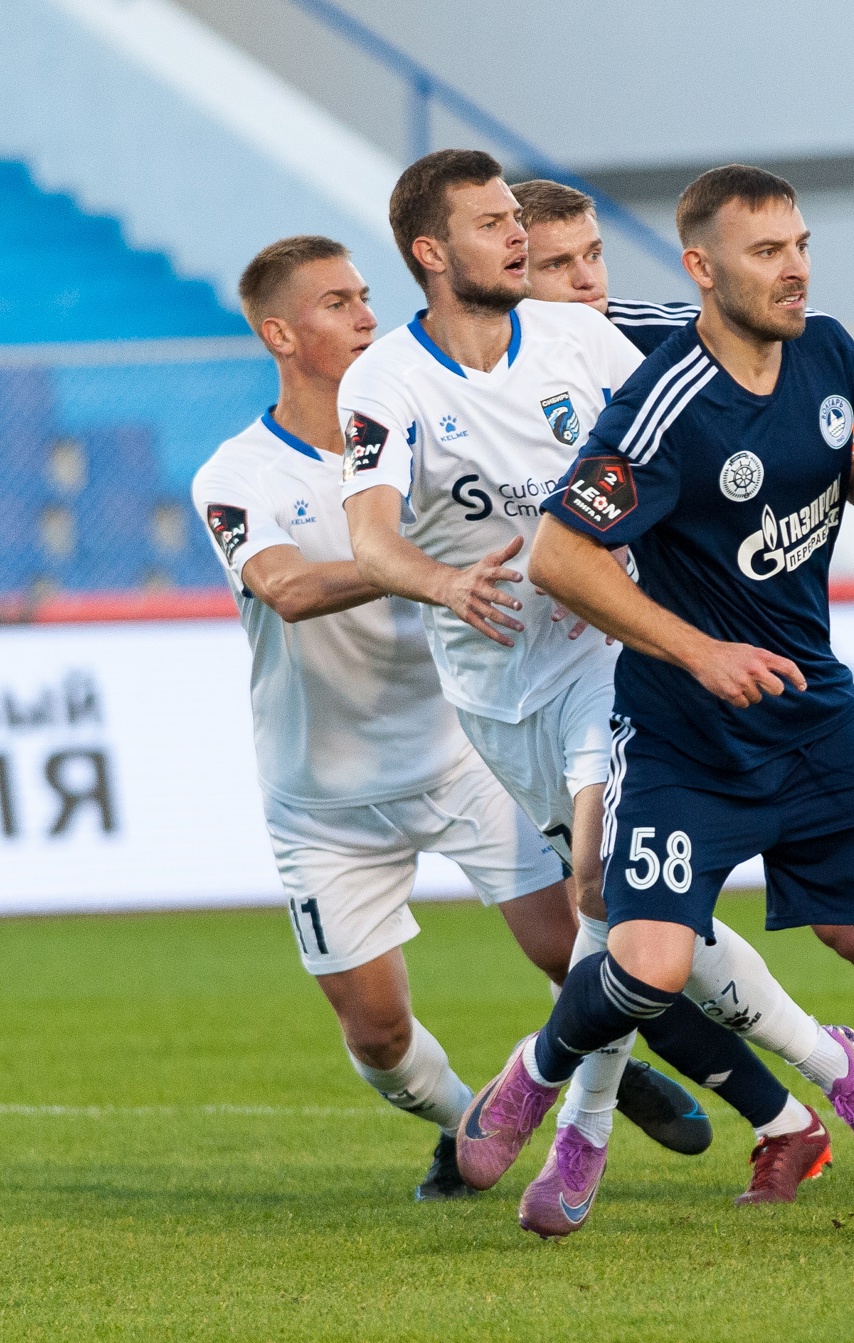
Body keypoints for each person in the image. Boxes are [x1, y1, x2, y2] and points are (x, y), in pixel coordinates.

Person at [460, 166, 854, 1244]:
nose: (794, 266)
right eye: (766, 251)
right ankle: (534, 1072)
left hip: (812, 713)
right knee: (648, 966)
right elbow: (563, 556)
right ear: (702, 268)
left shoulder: (826, 350)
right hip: (685, 730)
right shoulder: (660, 406)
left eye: (799, 243)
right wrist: (698, 650)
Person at [338, 150, 854, 1233]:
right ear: (430, 252)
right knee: (641, 919)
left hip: (613, 653)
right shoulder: (385, 383)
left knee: (603, 887)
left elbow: (706, 430)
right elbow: (368, 538)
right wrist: (445, 580)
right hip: (497, 686)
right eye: (494, 224)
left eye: (518, 219)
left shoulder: (578, 340)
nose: (517, 238)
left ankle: (577, 1132)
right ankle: (824, 1064)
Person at [190, 234, 709, 1200]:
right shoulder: (237, 475)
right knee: (379, 1036)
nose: (364, 317)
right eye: (337, 304)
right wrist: (415, 564)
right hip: (323, 797)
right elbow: (288, 588)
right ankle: (472, 1113)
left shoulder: (421, 418)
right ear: (278, 333)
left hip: (460, 751)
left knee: (579, 942)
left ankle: (604, 1078)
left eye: (365, 297)